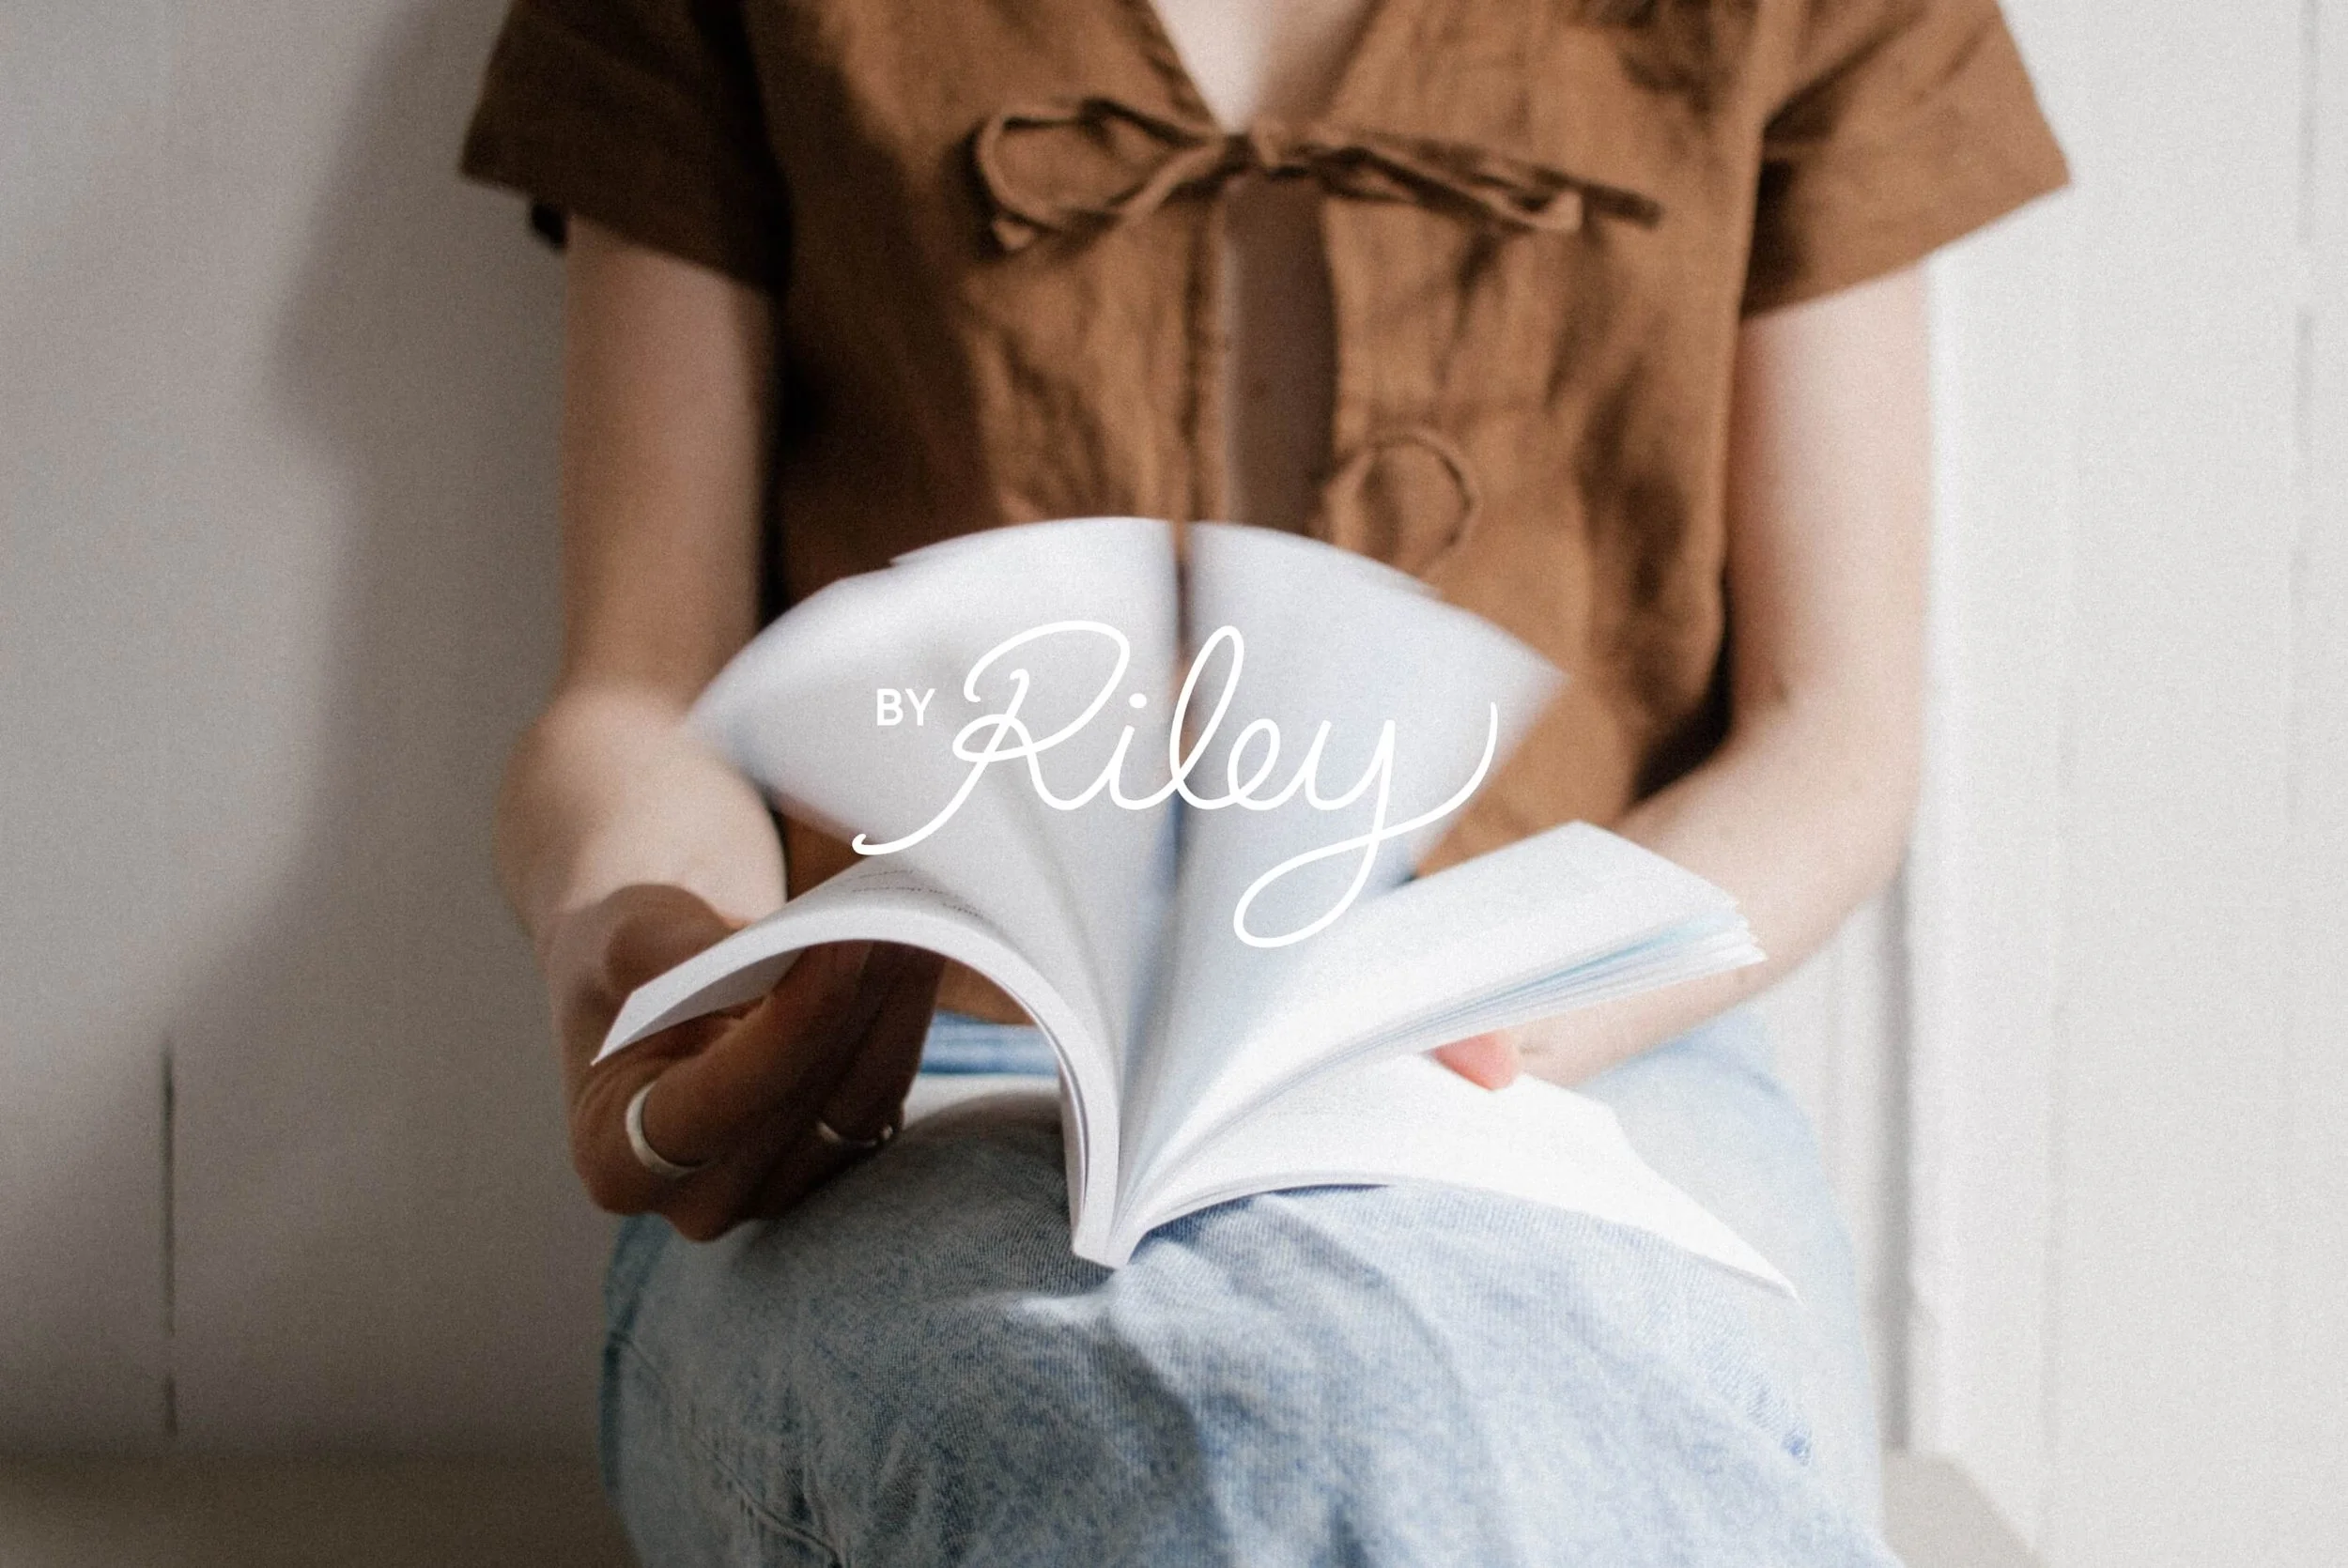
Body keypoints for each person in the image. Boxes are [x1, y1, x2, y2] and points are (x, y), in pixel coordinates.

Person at [462, 1, 2066, 1560]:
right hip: (919, 1063)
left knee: (1528, 1407)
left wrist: (1475, 1006)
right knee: (1211, 1428)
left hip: (1577, 1054)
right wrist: (664, 944)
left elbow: (1830, 723)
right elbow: (639, 692)